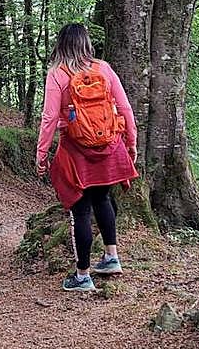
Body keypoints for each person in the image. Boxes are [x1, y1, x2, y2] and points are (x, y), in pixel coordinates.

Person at [34, 23, 138, 292]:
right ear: (86, 43)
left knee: (80, 209)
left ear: (61, 45)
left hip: (75, 150)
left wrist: (41, 154)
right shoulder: (103, 68)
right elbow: (124, 107)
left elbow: (48, 119)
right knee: (102, 198)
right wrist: (131, 142)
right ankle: (111, 257)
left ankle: (82, 275)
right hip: (108, 146)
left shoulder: (57, 74)